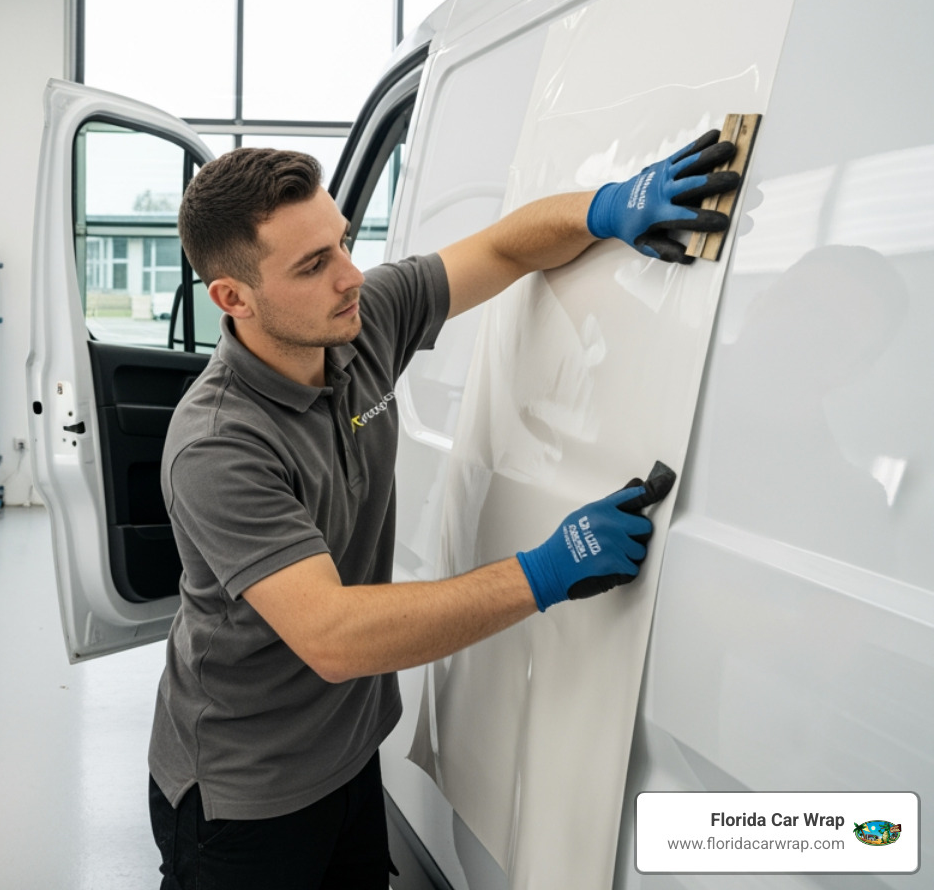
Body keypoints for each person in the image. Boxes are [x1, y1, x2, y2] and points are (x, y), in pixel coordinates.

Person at [148, 133, 740, 889]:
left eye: (344, 243)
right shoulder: (218, 442)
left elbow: (501, 249)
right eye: (313, 265)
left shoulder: (359, 329)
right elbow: (332, 636)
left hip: (346, 756)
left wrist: (603, 209)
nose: (350, 276)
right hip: (245, 793)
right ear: (233, 298)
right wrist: (546, 571)